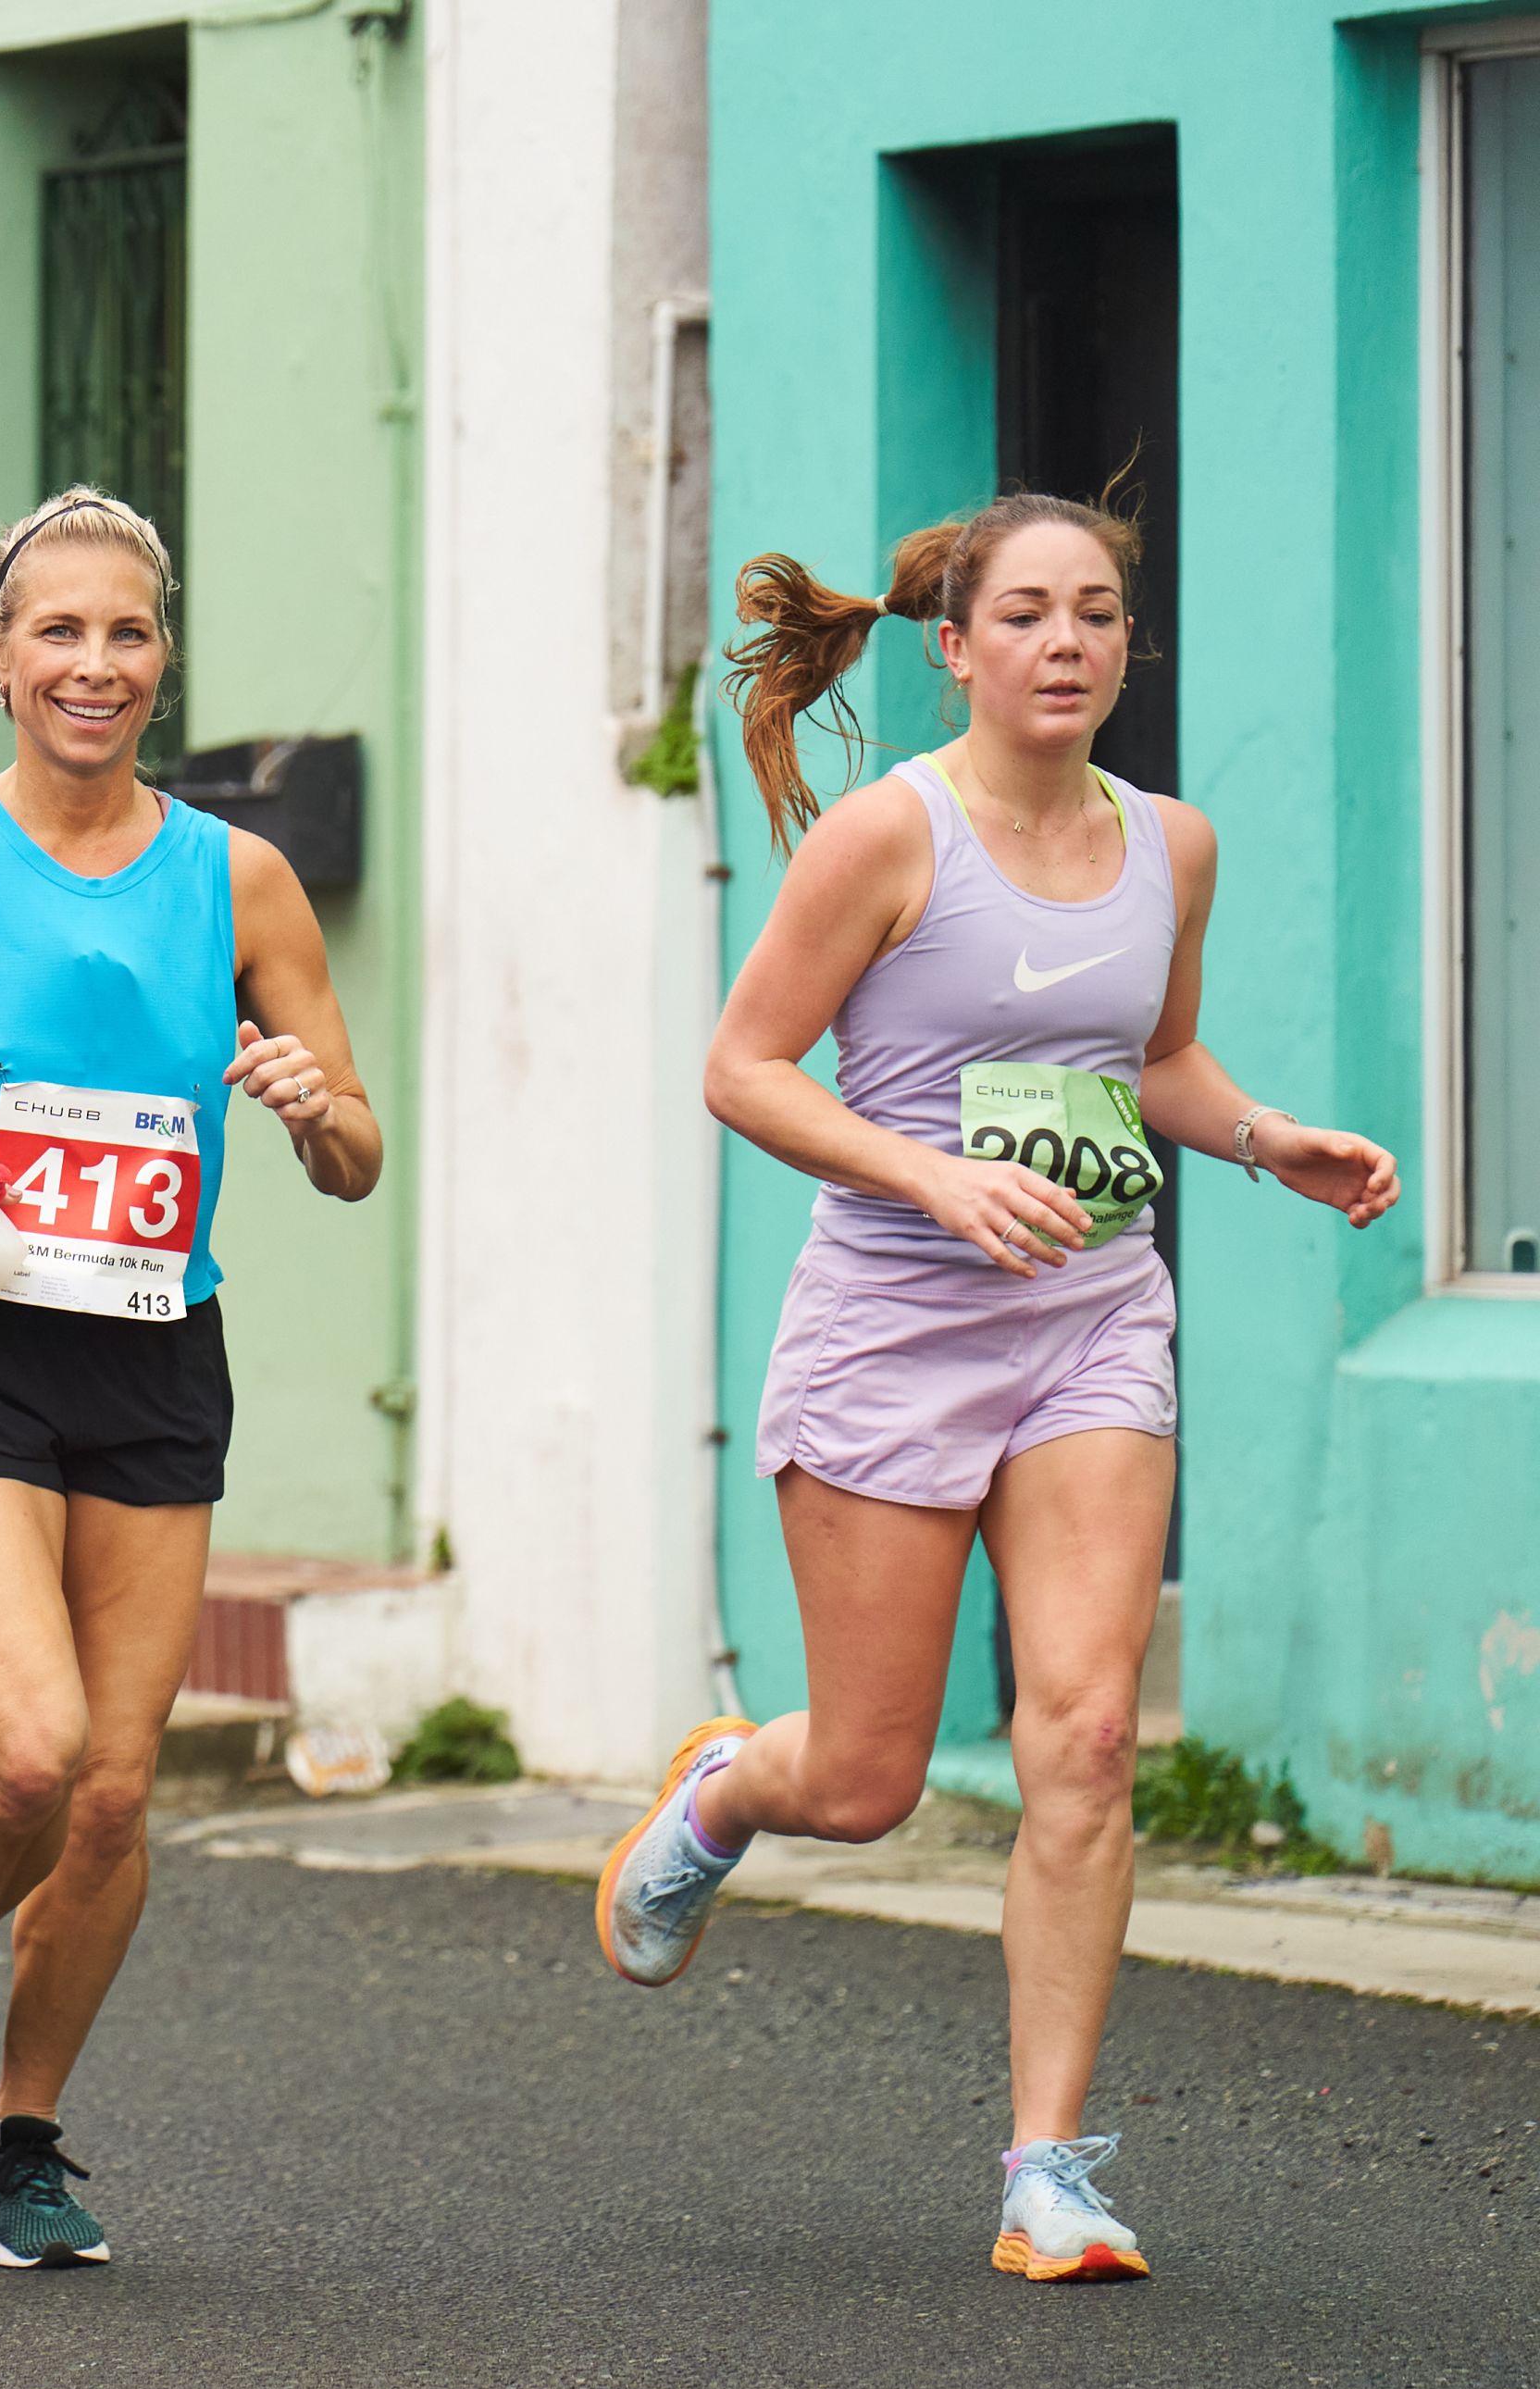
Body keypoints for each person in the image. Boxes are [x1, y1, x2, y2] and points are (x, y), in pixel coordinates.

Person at [600, 491, 1399, 2281]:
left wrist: (1272, 1139)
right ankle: (730, 1791)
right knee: (871, 1778)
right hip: (895, 1326)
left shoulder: (1171, 847)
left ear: (1127, 647)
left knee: (1089, 1733)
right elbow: (747, 1066)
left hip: (1092, 1318)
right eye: (1027, 614)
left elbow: (1158, 1058)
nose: (1066, 643)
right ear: (953, 647)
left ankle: (1052, 2168)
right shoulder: (890, 838)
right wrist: (929, 1171)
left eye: (1098, 615)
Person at [0, 488, 384, 2269]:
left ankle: (21, 2137)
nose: (92, 664)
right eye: (58, 632)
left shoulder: (236, 878)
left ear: (160, 660)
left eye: (126, 634)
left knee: (114, 1788)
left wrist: (314, 1109)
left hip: (156, 1347)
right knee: (23, 1756)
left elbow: (356, 1153)